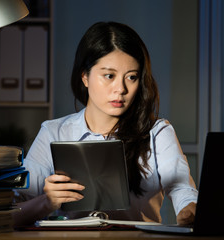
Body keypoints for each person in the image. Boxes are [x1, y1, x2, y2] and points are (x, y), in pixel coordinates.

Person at [13, 21, 198, 226]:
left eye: (131, 77)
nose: (120, 89)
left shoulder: (157, 132)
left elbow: (183, 190)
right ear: (85, 76)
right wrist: (46, 202)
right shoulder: (54, 132)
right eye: (109, 76)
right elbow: (11, 214)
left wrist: (189, 213)